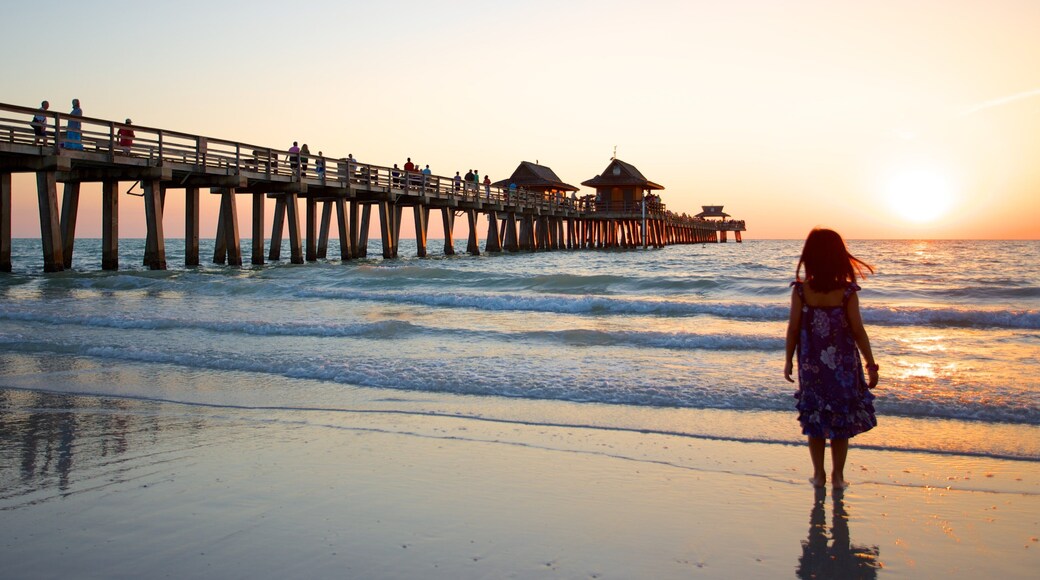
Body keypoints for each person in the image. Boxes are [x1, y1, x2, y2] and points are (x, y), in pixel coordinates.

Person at [784, 228, 878, 489]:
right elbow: (858, 331)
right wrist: (871, 365)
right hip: (843, 367)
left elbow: (792, 329)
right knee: (840, 419)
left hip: (811, 365)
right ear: (839, 257)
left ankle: (819, 475)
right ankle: (837, 476)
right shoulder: (847, 292)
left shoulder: (802, 292)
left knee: (815, 418)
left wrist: (788, 360)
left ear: (810, 257)